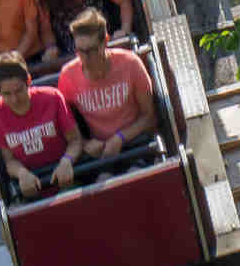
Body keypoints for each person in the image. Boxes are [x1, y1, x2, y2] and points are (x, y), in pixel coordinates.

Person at [57, 11, 162, 166]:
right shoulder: (68, 76)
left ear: (105, 42)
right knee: (103, 178)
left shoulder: (130, 64)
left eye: (92, 50)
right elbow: (64, 127)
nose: (86, 58)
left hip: (137, 143)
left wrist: (120, 138)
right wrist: (85, 144)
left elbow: (149, 116)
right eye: (80, 51)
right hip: (100, 154)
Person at [0, 52, 80, 200]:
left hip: (66, 178)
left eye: (19, 91)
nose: (14, 100)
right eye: (7, 94)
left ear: (28, 81)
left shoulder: (52, 98)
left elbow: (75, 140)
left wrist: (67, 161)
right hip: (29, 187)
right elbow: (8, 160)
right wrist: (22, 173)